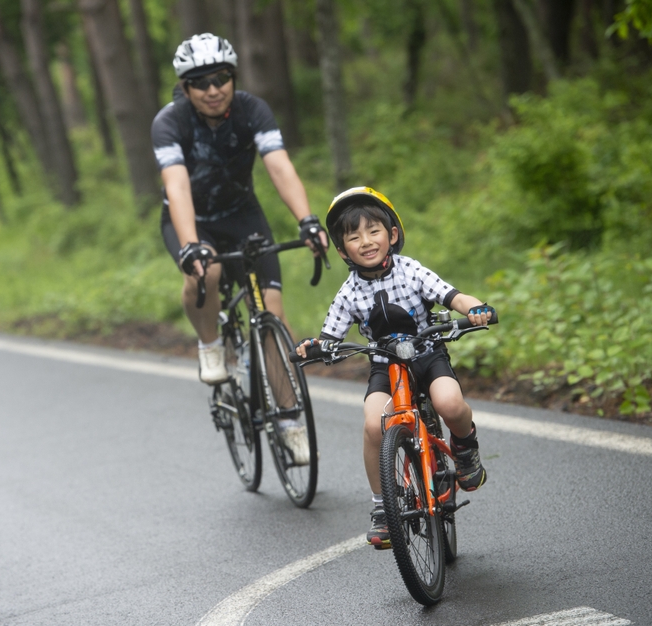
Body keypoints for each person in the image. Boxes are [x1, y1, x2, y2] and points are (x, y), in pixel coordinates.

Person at [152, 33, 328, 462]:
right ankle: (210, 344)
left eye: (221, 78)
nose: (213, 89)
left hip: (243, 216)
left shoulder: (252, 110)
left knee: (272, 314)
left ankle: (289, 421)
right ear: (186, 87)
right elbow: (177, 186)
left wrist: (306, 219)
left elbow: (279, 166)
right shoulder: (170, 122)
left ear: (232, 77)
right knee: (205, 272)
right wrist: (192, 246)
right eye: (201, 82)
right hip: (192, 219)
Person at [294, 186, 493, 548]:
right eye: (354, 236)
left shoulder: (411, 270)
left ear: (392, 235)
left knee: (449, 404)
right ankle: (383, 506)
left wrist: (476, 309)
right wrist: (315, 347)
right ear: (342, 250)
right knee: (373, 425)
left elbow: (454, 296)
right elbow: (330, 336)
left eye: (374, 231)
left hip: (426, 355)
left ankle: (465, 448)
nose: (366, 241)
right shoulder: (349, 292)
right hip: (385, 366)